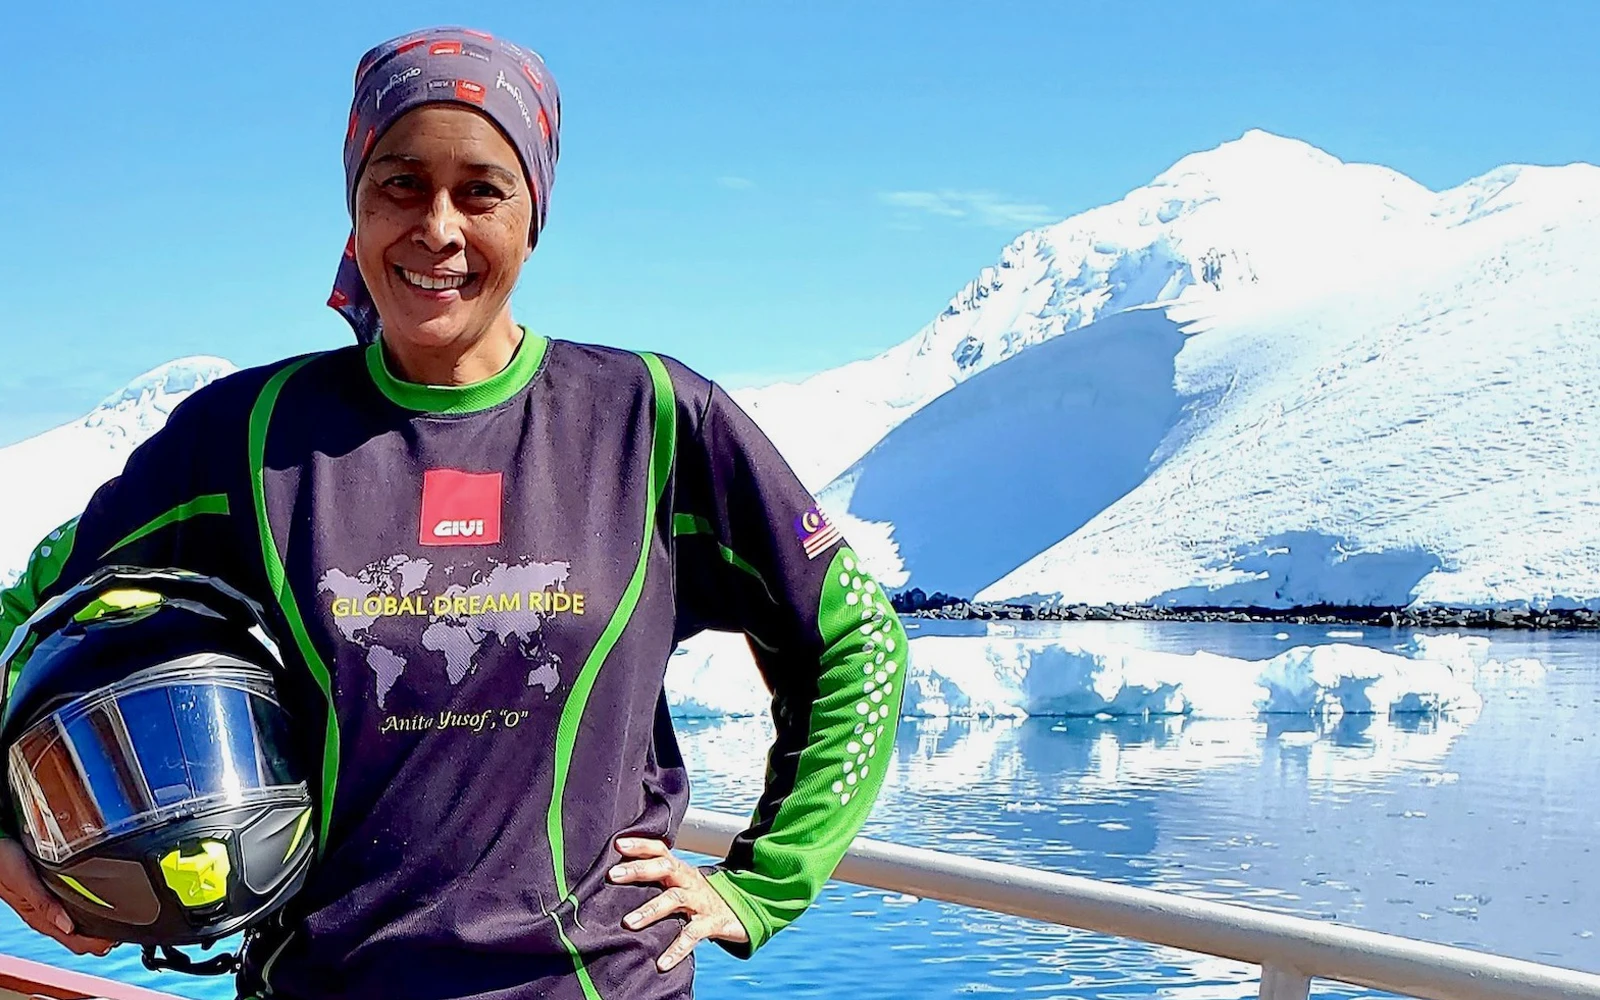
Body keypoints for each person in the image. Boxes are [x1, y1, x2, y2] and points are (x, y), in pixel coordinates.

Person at [0, 26, 908, 1000]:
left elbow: (854, 637)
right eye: (400, 184)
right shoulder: (250, 436)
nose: (438, 227)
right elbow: (30, 618)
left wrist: (763, 882)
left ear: (533, 214)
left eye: (481, 190)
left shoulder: (649, 419)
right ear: (355, 205)